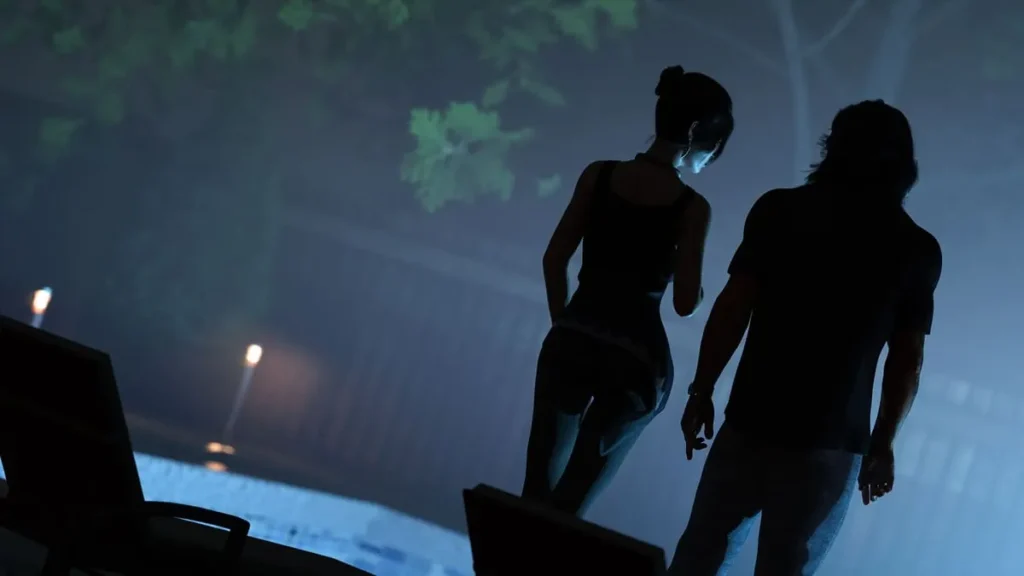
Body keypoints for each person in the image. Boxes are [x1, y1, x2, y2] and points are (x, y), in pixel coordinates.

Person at [668, 100, 942, 575]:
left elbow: (733, 306)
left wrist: (702, 389)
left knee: (699, 558)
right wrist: (882, 443)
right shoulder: (916, 249)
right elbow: (906, 361)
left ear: (833, 148)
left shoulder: (779, 210)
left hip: (752, 416)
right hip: (832, 439)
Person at [521, 65, 734, 517]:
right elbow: (685, 304)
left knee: (535, 489)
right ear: (697, 135)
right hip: (635, 358)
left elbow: (554, 259)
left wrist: (565, 324)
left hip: (573, 336)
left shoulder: (598, 175)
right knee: (569, 506)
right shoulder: (692, 208)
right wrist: (691, 280)